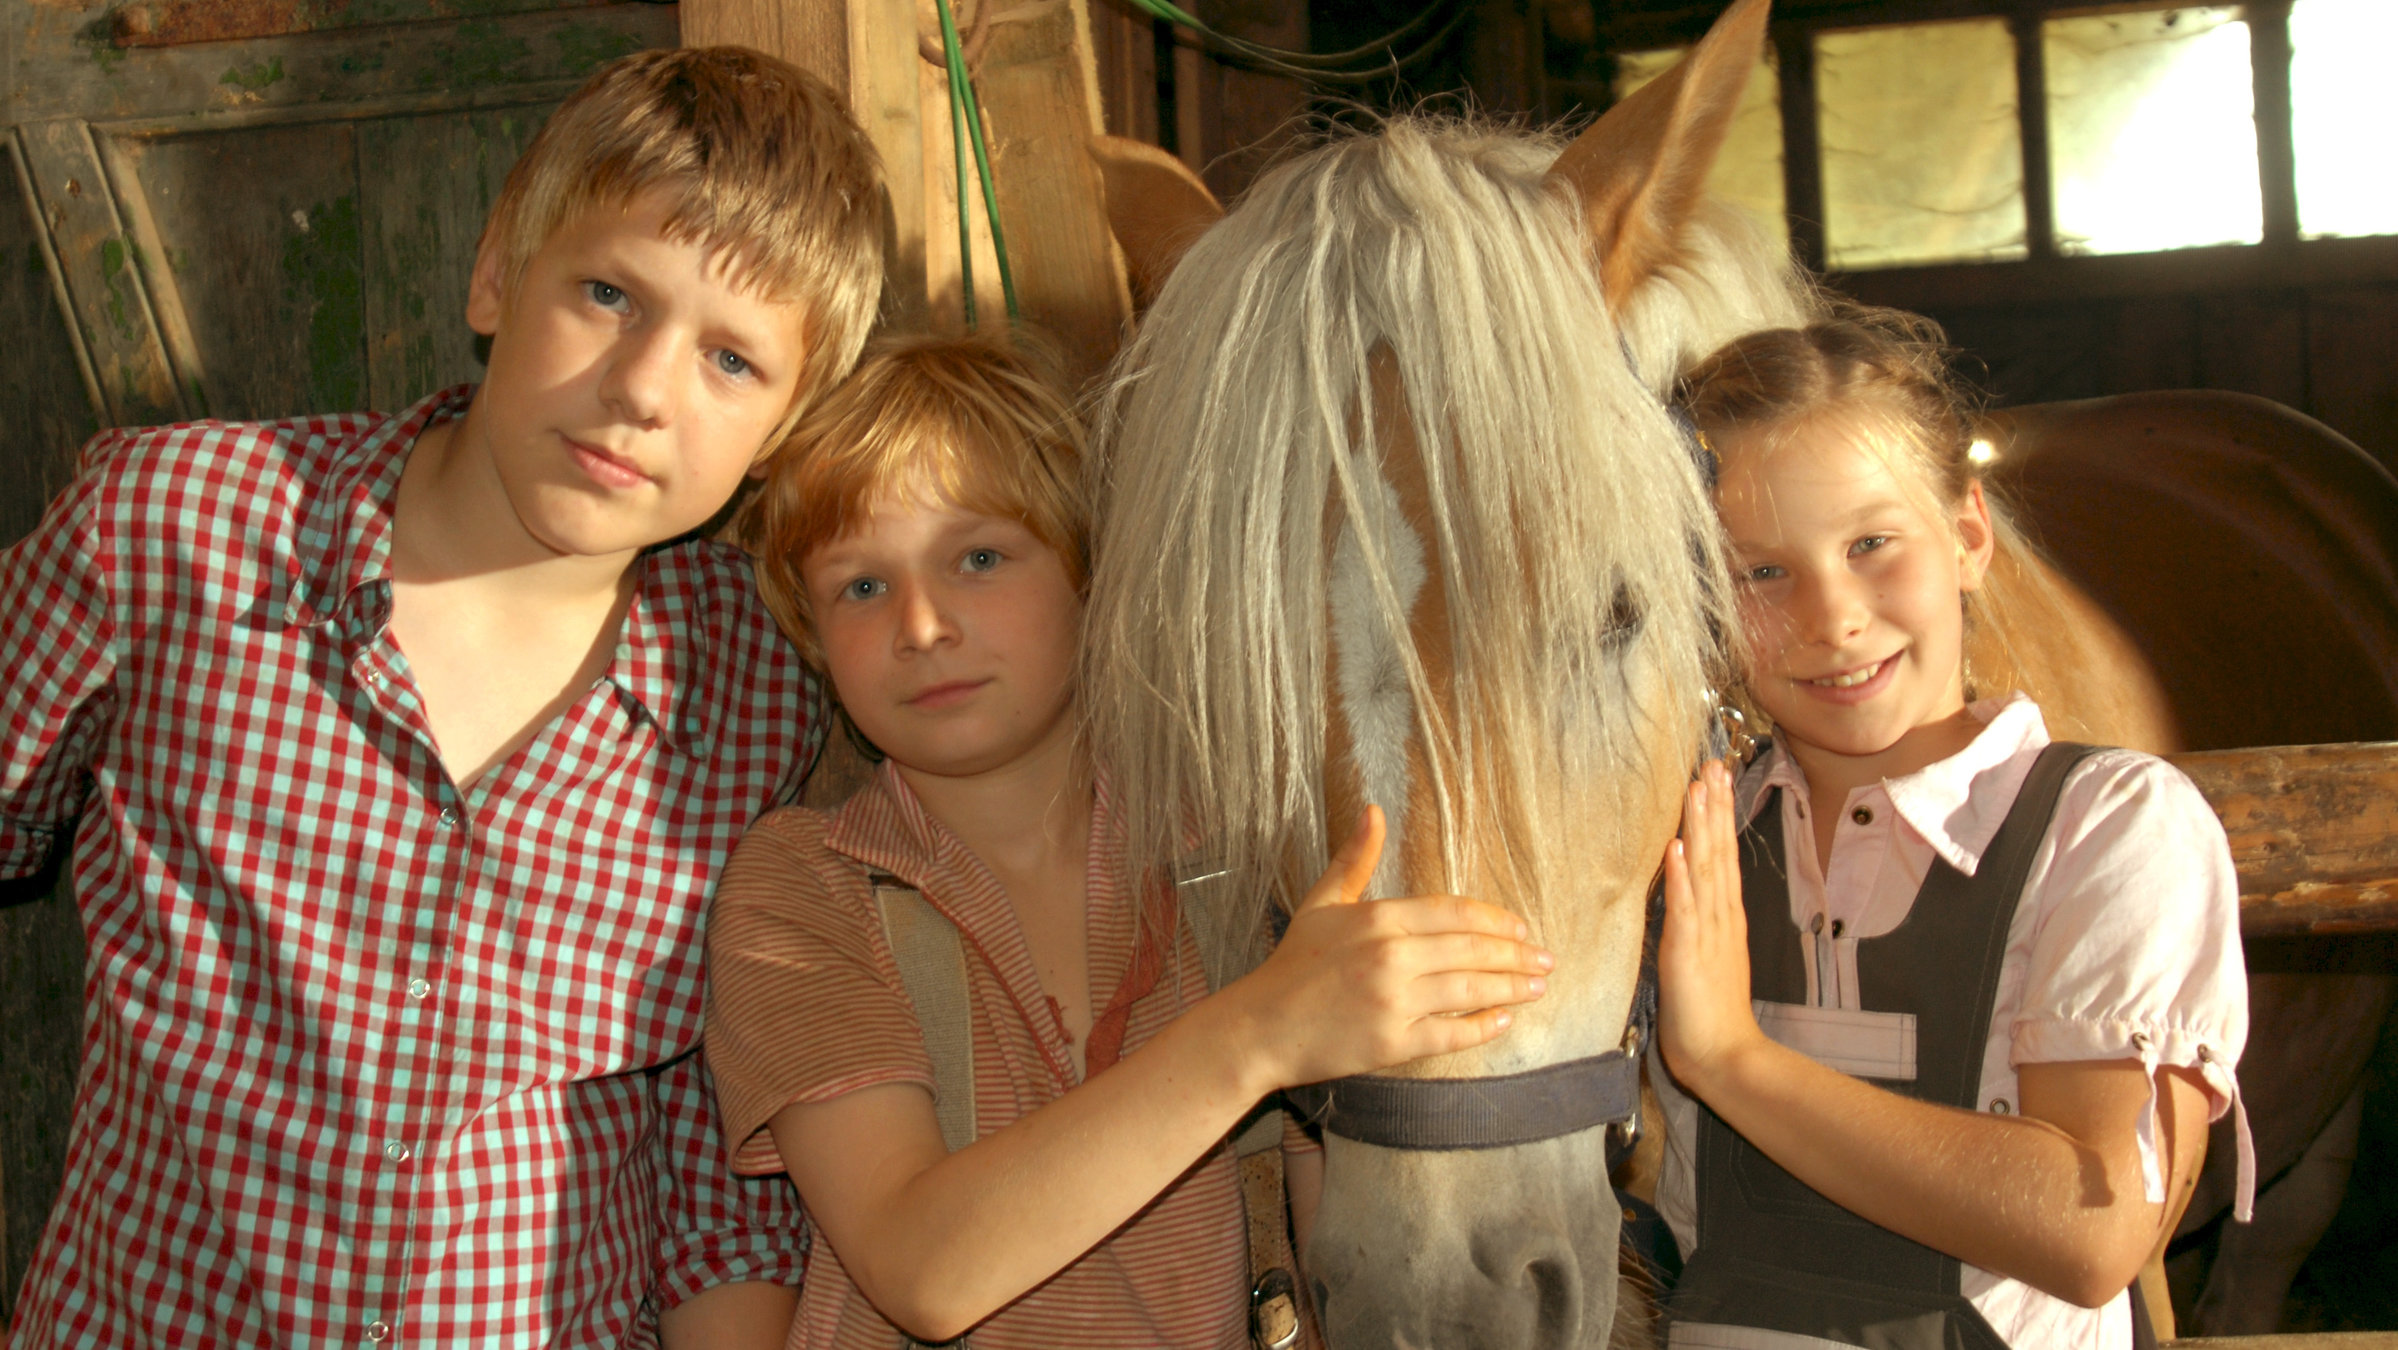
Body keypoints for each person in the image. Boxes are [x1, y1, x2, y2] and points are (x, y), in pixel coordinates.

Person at [0, 47, 882, 1348]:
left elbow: (711, 1147)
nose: (642, 390)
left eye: (732, 361)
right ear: (495, 274)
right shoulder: (173, 534)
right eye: (608, 294)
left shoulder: (761, 680)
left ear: (787, 431)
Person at [706, 331, 1554, 1349]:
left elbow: (1335, 1251)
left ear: (1089, 573)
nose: (921, 626)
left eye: (979, 559)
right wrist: (1258, 1032)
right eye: (861, 586)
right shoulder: (805, 887)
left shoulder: (1236, 858)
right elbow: (920, 1266)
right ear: (810, 631)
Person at [1651, 309, 2251, 1350]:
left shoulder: (2106, 828)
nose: (1832, 616)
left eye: (1870, 544)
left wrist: (1734, 1062)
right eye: (1761, 572)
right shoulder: (1699, 831)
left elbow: (2089, 1231)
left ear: (1968, 537)